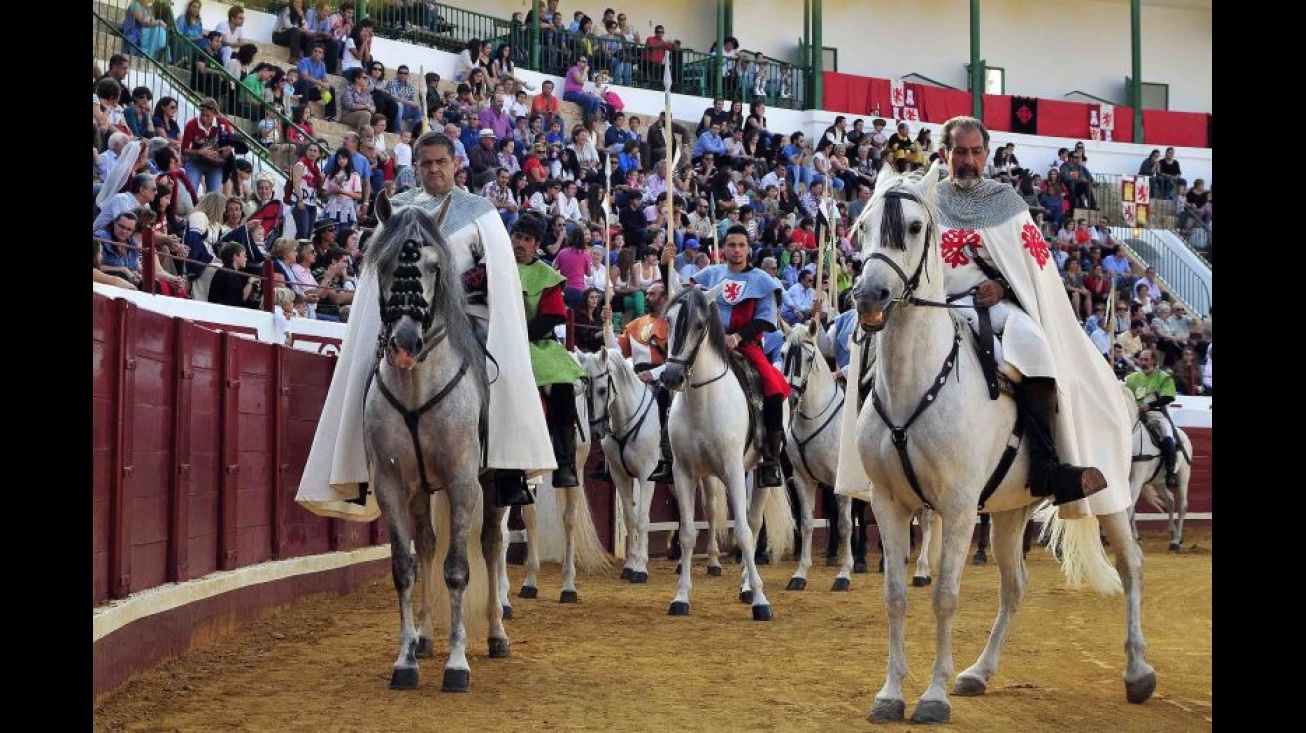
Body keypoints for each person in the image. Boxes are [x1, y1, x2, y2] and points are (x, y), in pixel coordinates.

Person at [295, 132, 556, 520]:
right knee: (367, 367)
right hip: (405, 313)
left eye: (440, 162)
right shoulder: (397, 209)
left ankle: (506, 464)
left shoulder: (479, 210)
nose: (433, 169)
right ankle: (359, 457)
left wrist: (467, 280)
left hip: (465, 314)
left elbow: (498, 270)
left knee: (494, 363)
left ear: (455, 164)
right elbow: (376, 272)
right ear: (415, 166)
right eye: (425, 163)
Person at [926, 115, 1131, 510]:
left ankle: (1045, 467)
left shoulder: (1006, 202)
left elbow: (1034, 270)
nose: (968, 160)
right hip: (936, 308)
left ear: (986, 154)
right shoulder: (927, 200)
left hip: (997, 307)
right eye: (959, 152)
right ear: (943, 153)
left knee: (1035, 348)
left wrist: (1001, 286)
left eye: (975, 152)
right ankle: (876, 457)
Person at [687, 225, 792, 487]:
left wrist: (737, 337)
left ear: (748, 248)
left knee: (773, 386)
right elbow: (685, 298)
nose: (736, 250)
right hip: (708, 344)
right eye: (731, 245)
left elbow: (766, 319)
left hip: (746, 346)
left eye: (741, 245)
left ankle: (771, 459)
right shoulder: (710, 274)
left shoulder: (762, 280)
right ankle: (668, 448)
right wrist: (667, 264)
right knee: (675, 374)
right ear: (723, 248)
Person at [512, 211, 586, 490]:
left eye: (527, 239)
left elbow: (554, 315)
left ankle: (564, 463)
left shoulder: (547, 275)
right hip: (495, 341)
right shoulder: (493, 267)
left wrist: (520, 335)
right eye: (517, 237)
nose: (520, 243)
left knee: (563, 382)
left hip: (536, 342)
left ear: (537, 244)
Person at [603, 254, 676, 483]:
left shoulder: (673, 324)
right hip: (636, 376)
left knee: (668, 403)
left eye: (652, 294)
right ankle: (609, 455)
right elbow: (617, 352)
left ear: (665, 298)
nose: (647, 297)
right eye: (647, 293)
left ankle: (667, 456)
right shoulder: (635, 324)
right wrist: (606, 327)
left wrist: (653, 374)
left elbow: (676, 359)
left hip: (665, 376)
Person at [1125, 349, 1181, 489]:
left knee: (1168, 437)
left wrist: (1149, 405)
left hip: (1157, 415)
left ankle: (1170, 472)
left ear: (1154, 361)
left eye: (1146, 360)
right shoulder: (1132, 378)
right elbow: (1125, 395)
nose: (1143, 363)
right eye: (1141, 360)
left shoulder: (1163, 377)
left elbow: (1168, 397)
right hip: (1135, 414)